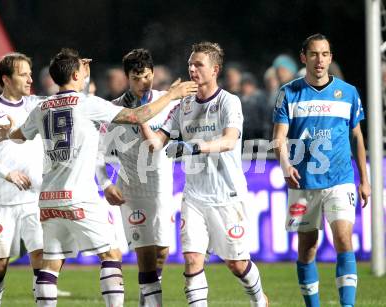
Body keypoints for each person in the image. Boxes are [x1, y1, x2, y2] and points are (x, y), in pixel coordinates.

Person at [0, 48, 197, 307]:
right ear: (77, 74)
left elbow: (20, 135)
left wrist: (9, 132)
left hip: (49, 199)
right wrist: (172, 94)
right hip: (79, 196)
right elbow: (138, 116)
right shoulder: (88, 104)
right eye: (82, 68)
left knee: (51, 264)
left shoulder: (43, 107)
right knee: (111, 255)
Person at [139, 42, 268, 307]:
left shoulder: (229, 102)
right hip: (195, 196)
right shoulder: (183, 106)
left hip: (226, 195)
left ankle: (259, 300)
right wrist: (139, 116)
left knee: (236, 263)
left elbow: (230, 141)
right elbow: (155, 144)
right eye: (190, 64)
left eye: (198, 64)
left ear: (215, 70)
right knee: (192, 259)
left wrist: (195, 146)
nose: (192, 69)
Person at [272, 33, 371, 307]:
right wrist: (285, 164)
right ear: (304, 58)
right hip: (302, 183)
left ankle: (347, 305)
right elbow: (278, 136)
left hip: (340, 179)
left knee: (343, 238)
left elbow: (357, 137)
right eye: (314, 54)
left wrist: (365, 179)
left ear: (331, 58)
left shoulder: (348, 93)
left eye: (325, 54)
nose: (320, 60)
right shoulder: (289, 92)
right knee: (307, 248)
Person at [96, 48, 177, 306]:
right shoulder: (114, 111)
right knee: (145, 256)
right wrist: (106, 183)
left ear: (153, 73)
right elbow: (96, 155)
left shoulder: (168, 102)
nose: (142, 83)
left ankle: (146, 299)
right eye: (135, 77)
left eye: (145, 76)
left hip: (162, 190)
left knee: (162, 253)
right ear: (127, 78)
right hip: (132, 191)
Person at [0, 52, 45, 306]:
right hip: (1, 201)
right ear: (6, 79)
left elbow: (69, 102)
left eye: (30, 73)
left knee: (41, 257)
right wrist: (7, 173)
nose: (29, 79)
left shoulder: (36, 105)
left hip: (34, 200)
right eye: (23, 74)